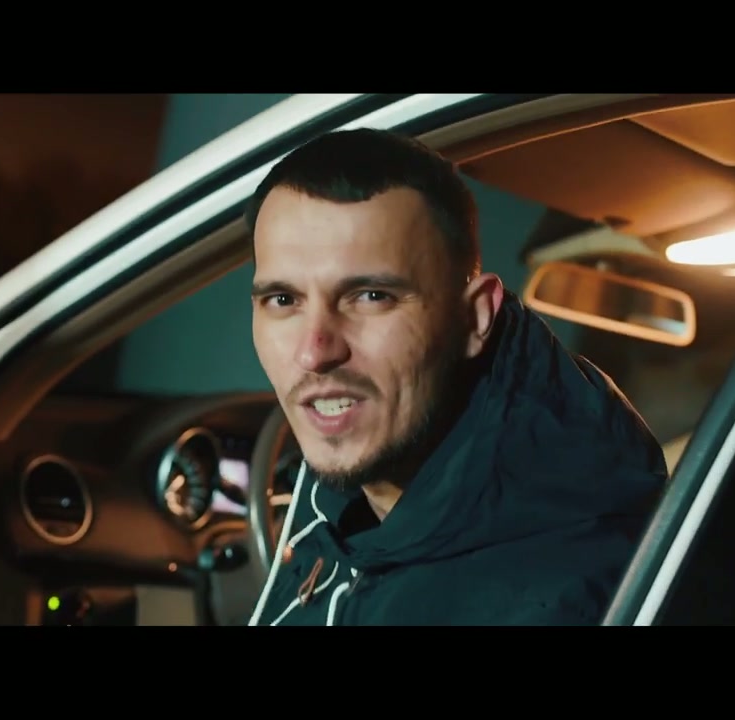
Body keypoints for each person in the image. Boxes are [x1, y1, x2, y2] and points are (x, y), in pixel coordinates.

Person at [243, 128, 667, 626]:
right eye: (283, 300)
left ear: (475, 318)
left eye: (372, 297)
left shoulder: (562, 594)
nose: (314, 352)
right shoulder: (347, 490)